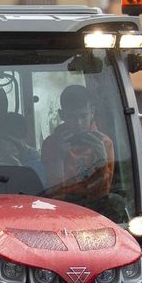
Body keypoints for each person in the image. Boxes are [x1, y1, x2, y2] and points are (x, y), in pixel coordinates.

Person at [39, 84, 121, 217]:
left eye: (83, 116)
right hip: (60, 208)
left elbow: (103, 194)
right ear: (61, 115)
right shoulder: (51, 144)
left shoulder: (104, 143)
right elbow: (53, 193)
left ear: (92, 113)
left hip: (94, 208)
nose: (78, 123)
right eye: (72, 116)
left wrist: (101, 161)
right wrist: (59, 158)